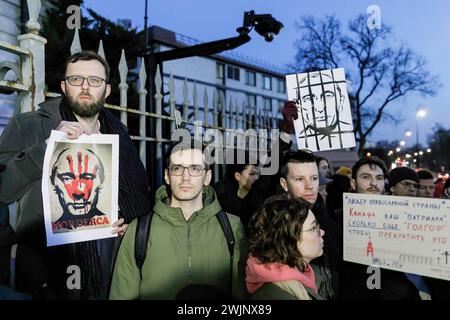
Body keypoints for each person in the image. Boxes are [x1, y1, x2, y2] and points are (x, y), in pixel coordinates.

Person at [0, 50, 151, 299]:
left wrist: (126, 222)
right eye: (76, 79)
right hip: (46, 269)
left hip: (109, 266)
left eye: (94, 80)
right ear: (63, 85)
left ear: (107, 90)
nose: (84, 87)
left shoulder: (119, 133)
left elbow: (137, 195)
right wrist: (46, 147)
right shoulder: (27, 126)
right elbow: (3, 187)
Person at [109, 141, 248, 300]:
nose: (185, 177)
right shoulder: (139, 229)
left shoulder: (232, 226)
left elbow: (241, 296)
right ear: (167, 176)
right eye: (178, 168)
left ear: (207, 177)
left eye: (195, 169)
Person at [246, 194, 326, 300]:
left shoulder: (301, 275)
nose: (322, 232)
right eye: (313, 228)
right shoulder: (272, 295)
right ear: (288, 240)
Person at [289, 70, 354, 151]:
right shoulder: (295, 144)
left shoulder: (346, 139)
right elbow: (274, 161)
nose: (320, 108)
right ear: (299, 107)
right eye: (309, 99)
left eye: (328, 96)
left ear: (341, 102)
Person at [50, 147, 107, 230]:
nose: (78, 192)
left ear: (101, 182)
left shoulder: (113, 223)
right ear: (53, 183)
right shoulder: (44, 232)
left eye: (88, 178)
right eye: (67, 178)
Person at [214, 152, 260, 231]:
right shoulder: (220, 201)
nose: (256, 178)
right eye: (252, 174)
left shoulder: (256, 198)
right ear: (238, 176)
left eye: (257, 174)